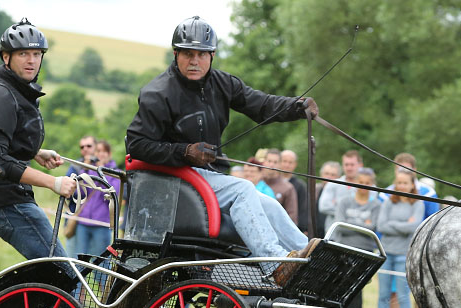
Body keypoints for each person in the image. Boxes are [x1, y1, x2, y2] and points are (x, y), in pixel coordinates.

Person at [125, 16, 319, 282]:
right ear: (176, 54)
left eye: (202, 55)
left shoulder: (223, 84)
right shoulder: (158, 93)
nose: (195, 61)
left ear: (212, 55)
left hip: (207, 178)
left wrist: (296, 106)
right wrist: (185, 151)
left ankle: (311, 260)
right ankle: (274, 266)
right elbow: (137, 145)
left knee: (270, 205)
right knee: (243, 189)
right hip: (173, 181)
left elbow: (261, 104)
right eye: (188, 54)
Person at [0, 18, 75, 268]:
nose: (32, 60)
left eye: (36, 53)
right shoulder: (0, 94)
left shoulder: (16, 90)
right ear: (6, 57)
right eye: (23, 54)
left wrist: (34, 152)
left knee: (54, 276)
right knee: (64, 274)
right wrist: (53, 182)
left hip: (10, 197)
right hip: (3, 201)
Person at [332, 167, 381, 308]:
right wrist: (363, 226)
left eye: (367, 183)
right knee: (340, 286)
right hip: (344, 249)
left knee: (357, 289)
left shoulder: (376, 205)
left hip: (365, 252)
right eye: (361, 182)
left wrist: (350, 223)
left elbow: (372, 229)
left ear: (372, 185)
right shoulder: (344, 202)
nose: (363, 186)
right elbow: (340, 226)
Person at [376, 170, 423, 308]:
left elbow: (414, 227)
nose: (402, 186)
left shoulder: (417, 203)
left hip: (404, 254)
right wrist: (403, 225)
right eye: (399, 183)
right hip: (386, 253)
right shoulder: (389, 202)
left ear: (412, 185)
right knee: (384, 294)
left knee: (403, 295)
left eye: (405, 183)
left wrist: (393, 223)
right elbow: (381, 226)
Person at [68, 139, 121, 257]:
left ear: (109, 154)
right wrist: (85, 169)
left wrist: (102, 173)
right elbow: (80, 192)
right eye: (98, 151)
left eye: (103, 151)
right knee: (79, 258)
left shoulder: (116, 173)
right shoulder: (90, 171)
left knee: (100, 260)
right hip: (83, 222)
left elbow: (110, 195)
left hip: (101, 224)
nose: (100, 154)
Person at [380, 152, 439, 220]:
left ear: (414, 170)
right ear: (395, 171)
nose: (403, 173)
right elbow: (380, 225)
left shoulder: (428, 194)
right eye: (400, 170)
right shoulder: (385, 195)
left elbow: (434, 221)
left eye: (406, 169)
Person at [318, 150, 364, 230]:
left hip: (359, 235)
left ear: (360, 165)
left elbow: (369, 210)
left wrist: (338, 206)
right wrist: (353, 213)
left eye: (352, 165)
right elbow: (324, 207)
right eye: (346, 164)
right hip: (334, 235)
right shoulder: (332, 184)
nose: (349, 168)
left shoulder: (368, 187)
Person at [262, 148, 299, 225]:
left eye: (275, 162)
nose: (271, 165)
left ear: (279, 164)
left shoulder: (288, 188)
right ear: (264, 162)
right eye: (269, 161)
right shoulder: (256, 182)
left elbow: (292, 216)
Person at [280, 149, 309, 233]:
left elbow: (303, 209)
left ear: (295, 164)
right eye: (284, 161)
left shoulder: (300, 186)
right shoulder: (272, 182)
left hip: (292, 227)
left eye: (290, 162)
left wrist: (303, 228)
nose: (287, 165)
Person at [313, 161, 342, 237]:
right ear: (321, 174)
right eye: (326, 173)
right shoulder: (314, 190)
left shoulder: (341, 193)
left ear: (339, 177)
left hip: (331, 233)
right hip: (314, 233)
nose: (329, 177)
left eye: (333, 175)